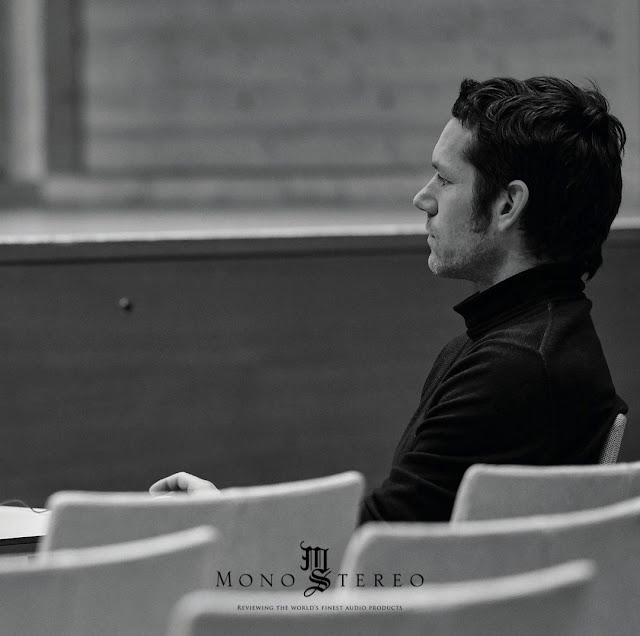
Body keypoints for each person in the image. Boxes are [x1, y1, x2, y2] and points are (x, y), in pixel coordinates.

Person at [150, 76, 628, 523]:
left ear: (507, 204)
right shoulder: (544, 340)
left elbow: (378, 543)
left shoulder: (515, 369)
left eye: (444, 179)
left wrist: (224, 516)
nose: (423, 198)